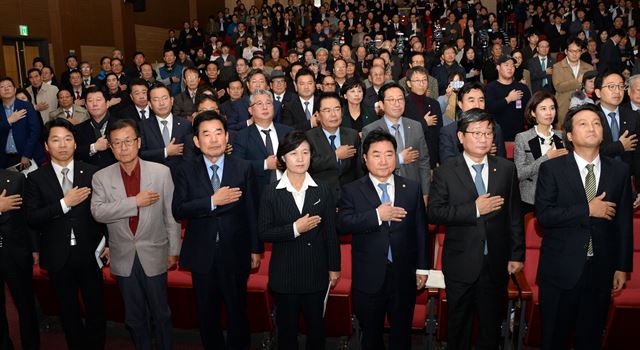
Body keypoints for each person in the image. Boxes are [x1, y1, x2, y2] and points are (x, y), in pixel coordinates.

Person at [535, 103, 633, 350]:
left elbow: (623, 222)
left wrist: (621, 267)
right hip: (560, 271)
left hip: (600, 271)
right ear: (569, 135)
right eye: (583, 123)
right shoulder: (552, 169)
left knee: (590, 340)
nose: (592, 128)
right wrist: (587, 210)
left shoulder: (619, 171)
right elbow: (544, 216)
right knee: (554, 339)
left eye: (597, 123)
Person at [428, 108, 525, 350]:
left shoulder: (505, 168)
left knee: (491, 326)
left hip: (495, 262)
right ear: (461, 137)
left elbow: (514, 214)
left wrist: (516, 254)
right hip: (461, 262)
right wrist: (474, 209)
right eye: (477, 133)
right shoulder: (446, 171)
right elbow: (435, 213)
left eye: (488, 133)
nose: (483, 138)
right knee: (459, 324)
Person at [172, 111, 263, 349]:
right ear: (196, 141)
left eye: (218, 133)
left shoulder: (243, 168)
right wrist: (213, 201)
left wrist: (256, 249)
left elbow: (252, 211)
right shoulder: (185, 170)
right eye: (206, 134)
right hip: (202, 254)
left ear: (227, 136)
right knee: (207, 313)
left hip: (236, 252)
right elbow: (178, 209)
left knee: (237, 311)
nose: (213, 139)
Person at [90, 119, 180, 350]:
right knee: (134, 316)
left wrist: (173, 251)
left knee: (161, 313)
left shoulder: (161, 172)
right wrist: (135, 202)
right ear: (110, 147)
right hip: (123, 256)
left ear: (138, 142)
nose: (123, 147)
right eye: (117, 143)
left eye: (128, 141)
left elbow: (171, 215)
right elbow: (99, 213)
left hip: (156, 252)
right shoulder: (101, 177)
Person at [338, 130, 428, 349]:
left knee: (401, 334)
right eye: (376, 154)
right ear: (365, 159)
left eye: (389, 154)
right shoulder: (352, 190)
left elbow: (421, 230)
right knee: (371, 336)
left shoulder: (411, 187)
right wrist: (377, 215)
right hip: (369, 278)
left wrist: (422, 269)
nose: (383, 160)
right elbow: (343, 224)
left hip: (403, 275)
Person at [24, 118, 106, 349]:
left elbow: (104, 212)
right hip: (57, 256)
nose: (63, 145)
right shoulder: (35, 178)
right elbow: (32, 217)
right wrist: (63, 204)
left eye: (68, 139)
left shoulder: (92, 172)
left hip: (90, 253)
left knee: (96, 310)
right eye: (56, 140)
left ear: (74, 142)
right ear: (46, 146)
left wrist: (107, 242)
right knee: (68, 313)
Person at [259, 130, 341, 349]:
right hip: (284, 274)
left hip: (315, 271)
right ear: (283, 158)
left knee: (316, 331)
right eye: (294, 153)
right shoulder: (271, 192)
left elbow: (331, 233)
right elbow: (264, 232)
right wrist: (295, 228)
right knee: (287, 332)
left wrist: (334, 267)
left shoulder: (322, 189)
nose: (300, 158)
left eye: (305, 152)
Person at [362, 82, 431, 203]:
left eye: (400, 99)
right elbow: (365, 163)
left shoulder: (416, 126)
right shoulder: (370, 130)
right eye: (391, 100)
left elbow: (424, 162)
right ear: (382, 105)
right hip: (383, 192)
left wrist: (425, 193)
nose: (397, 104)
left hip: (413, 189)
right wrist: (399, 159)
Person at [0, 169, 40, 350]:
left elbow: (27, 216)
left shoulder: (15, 178)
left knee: (26, 306)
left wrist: (34, 248)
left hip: (16, 252)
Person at [513, 91, 567, 213]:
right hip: (531, 198)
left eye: (552, 108)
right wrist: (546, 158)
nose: (549, 113)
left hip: (559, 196)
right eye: (543, 109)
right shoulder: (522, 138)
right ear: (533, 112)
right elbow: (520, 173)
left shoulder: (562, 136)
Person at [231, 89, 293, 196]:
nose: (265, 107)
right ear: (250, 110)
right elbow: (237, 167)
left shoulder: (288, 132)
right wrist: (264, 164)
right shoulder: (241, 136)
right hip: (258, 193)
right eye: (259, 104)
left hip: (289, 190)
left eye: (268, 103)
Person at [306, 92, 362, 202]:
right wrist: (335, 156)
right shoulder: (308, 137)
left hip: (349, 196)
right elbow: (310, 165)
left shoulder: (352, 135)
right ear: (317, 114)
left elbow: (358, 169)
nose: (333, 114)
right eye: (327, 110)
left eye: (337, 109)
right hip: (320, 197)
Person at [439, 81, 507, 164]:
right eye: (471, 101)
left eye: (481, 100)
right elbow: (447, 166)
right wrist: (478, 153)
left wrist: (488, 157)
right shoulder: (448, 132)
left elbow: (503, 164)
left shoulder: (495, 128)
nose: (477, 105)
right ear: (460, 104)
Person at [595, 70, 640, 189]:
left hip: (626, 180)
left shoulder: (632, 116)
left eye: (621, 86)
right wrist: (619, 146)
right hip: (598, 179)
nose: (617, 91)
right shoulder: (589, 116)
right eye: (611, 86)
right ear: (598, 92)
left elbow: (637, 154)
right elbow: (588, 151)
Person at [139, 83, 195, 169]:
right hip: (155, 176)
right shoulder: (143, 126)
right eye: (156, 100)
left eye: (164, 98)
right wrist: (165, 152)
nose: (161, 103)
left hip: (181, 175)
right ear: (150, 104)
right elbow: (141, 154)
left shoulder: (185, 124)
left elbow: (191, 154)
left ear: (172, 100)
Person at [0, 77, 45, 170]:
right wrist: (9, 121)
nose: (6, 88)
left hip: (29, 155)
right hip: (5, 159)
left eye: (9, 86)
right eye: (2, 87)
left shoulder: (26, 106)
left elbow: (35, 131)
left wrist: (26, 154)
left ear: (14, 89)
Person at [404, 67, 443, 168]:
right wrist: (424, 123)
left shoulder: (434, 104)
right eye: (417, 80)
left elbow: (439, 133)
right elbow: (404, 131)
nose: (422, 83)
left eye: (424, 80)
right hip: (410, 156)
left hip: (430, 156)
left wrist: (438, 159)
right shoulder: (403, 104)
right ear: (409, 83)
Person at [485, 56, 532, 141]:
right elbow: (490, 108)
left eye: (512, 65)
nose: (510, 68)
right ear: (498, 67)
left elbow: (530, 111)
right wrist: (508, 99)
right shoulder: (490, 88)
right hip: (497, 136)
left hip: (519, 136)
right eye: (506, 65)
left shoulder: (522, 88)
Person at [552, 38, 594, 124]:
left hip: (583, 107)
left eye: (578, 51)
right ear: (566, 51)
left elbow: (591, 88)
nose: (575, 54)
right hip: (563, 108)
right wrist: (577, 82)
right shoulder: (557, 67)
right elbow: (558, 87)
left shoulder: (589, 67)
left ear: (581, 51)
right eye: (571, 51)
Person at [75, 87, 117, 169]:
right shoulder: (78, 129)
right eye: (90, 101)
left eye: (98, 100)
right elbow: (75, 153)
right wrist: (94, 147)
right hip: (89, 174)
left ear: (107, 104)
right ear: (86, 106)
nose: (94, 104)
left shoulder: (120, 125)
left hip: (117, 172)